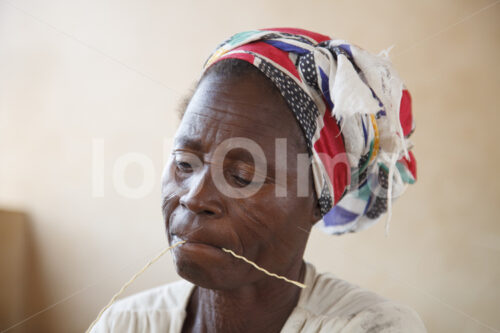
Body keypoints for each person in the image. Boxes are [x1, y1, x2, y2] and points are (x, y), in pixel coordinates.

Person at [91, 28, 425, 332]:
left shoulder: (372, 327)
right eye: (184, 163)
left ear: (317, 200)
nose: (194, 198)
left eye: (242, 177)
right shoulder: (125, 323)